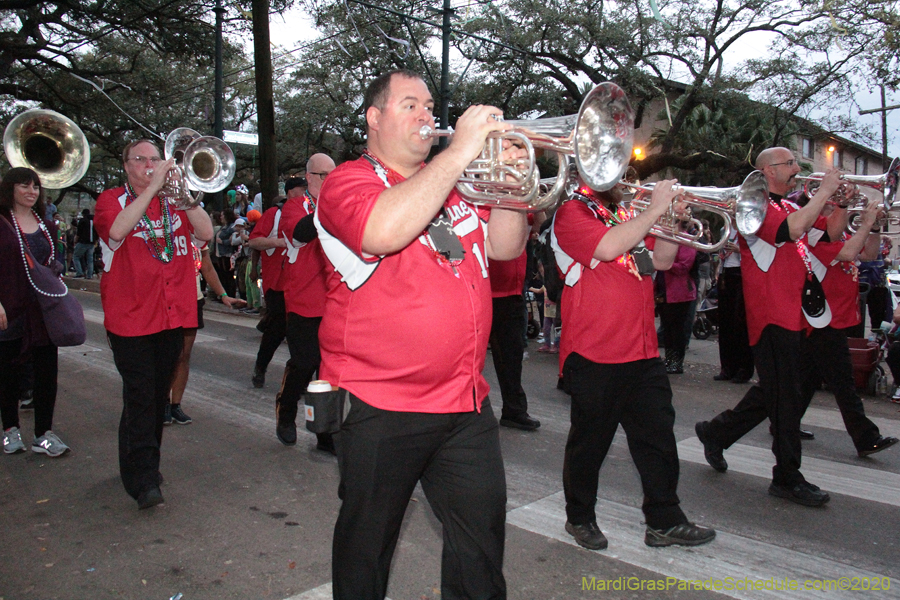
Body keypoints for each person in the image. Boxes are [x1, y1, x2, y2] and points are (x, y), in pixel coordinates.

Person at [316, 69, 528, 600]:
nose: (426, 115)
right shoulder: (348, 181)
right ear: (374, 117)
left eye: (429, 105)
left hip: (463, 401)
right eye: (409, 105)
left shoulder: (452, 186)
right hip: (378, 403)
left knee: (480, 547)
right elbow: (382, 230)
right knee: (368, 547)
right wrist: (458, 152)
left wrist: (511, 187)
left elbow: (505, 247)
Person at [694, 147, 865, 508]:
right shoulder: (754, 211)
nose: (797, 167)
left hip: (799, 314)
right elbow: (792, 230)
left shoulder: (790, 205)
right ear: (768, 172)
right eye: (789, 162)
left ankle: (716, 432)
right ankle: (786, 477)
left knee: (776, 393)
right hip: (772, 316)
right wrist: (822, 193)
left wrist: (842, 205)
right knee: (786, 400)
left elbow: (831, 235)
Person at [553, 181, 715, 551]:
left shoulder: (627, 214)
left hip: (642, 351)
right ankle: (579, 516)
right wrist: (656, 209)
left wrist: (671, 221)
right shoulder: (572, 213)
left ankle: (664, 520)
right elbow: (609, 247)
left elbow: (661, 261)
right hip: (595, 351)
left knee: (658, 438)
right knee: (589, 444)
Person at [94, 139, 213, 509]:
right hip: (130, 318)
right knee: (142, 394)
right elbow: (116, 231)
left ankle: (139, 462)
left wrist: (184, 195)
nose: (149, 165)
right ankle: (144, 478)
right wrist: (152, 190)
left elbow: (206, 233)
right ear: (126, 165)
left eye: (155, 160)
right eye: (141, 160)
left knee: (152, 396)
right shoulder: (110, 200)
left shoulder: (173, 202)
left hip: (172, 315)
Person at [267, 153, 336, 452]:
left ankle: (324, 432)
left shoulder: (336, 206)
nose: (330, 181)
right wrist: (335, 206)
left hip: (337, 302)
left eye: (334, 176)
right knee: (306, 363)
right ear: (309, 177)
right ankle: (286, 409)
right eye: (324, 176)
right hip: (304, 301)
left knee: (331, 372)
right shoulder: (295, 206)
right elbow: (299, 234)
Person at [1, 167, 70, 457]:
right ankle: (9, 430)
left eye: (35, 187)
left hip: (42, 311)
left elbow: (54, 262)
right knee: (8, 372)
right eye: (24, 186)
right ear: (10, 189)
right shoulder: (2, 223)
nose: (31, 192)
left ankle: (43, 433)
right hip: (10, 308)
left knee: (46, 372)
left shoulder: (47, 226)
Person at [166, 242, 246, 426]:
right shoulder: (163, 223)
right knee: (169, 355)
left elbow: (206, 265)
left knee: (183, 355)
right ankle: (162, 402)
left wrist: (223, 295)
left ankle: (175, 404)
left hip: (192, 299)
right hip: (166, 298)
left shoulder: (197, 232)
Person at [247, 184, 294, 388]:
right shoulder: (274, 214)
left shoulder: (313, 210)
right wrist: (277, 243)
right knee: (277, 331)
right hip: (277, 284)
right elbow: (255, 241)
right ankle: (261, 365)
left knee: (300, 334)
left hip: (300, 284)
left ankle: (297, 380)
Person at [489, 247, 541, 431]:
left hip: (512, 294)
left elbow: (536, 220)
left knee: (512, 356)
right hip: (484, 291)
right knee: (467, 356)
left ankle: (514, 410)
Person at [714, 229, 754, 383]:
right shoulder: (726, 229)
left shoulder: (750, 230)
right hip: (726, 272)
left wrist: (739, 250)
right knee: (725, 322)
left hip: (741, 273)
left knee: (740, 323)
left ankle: (744, 368)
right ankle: (727, 367)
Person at [656, 243, 697, 374]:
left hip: (679, 293)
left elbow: (684, 267)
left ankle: (677, 362)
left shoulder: (686, 242)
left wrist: (665, 263)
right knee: (667, 328)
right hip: (665, 290)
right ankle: (670, 359)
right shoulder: (667, 240)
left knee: (677, 329)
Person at [73, 207, 96, 279]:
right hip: (92, 242)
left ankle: (79, 272)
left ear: (83, 214)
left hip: (83, 241)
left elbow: (78, 233)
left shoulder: (83, 221)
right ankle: (90, 274)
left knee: (76, 256)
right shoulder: (94, 220)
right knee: (90, 259)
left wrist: (75, 240)